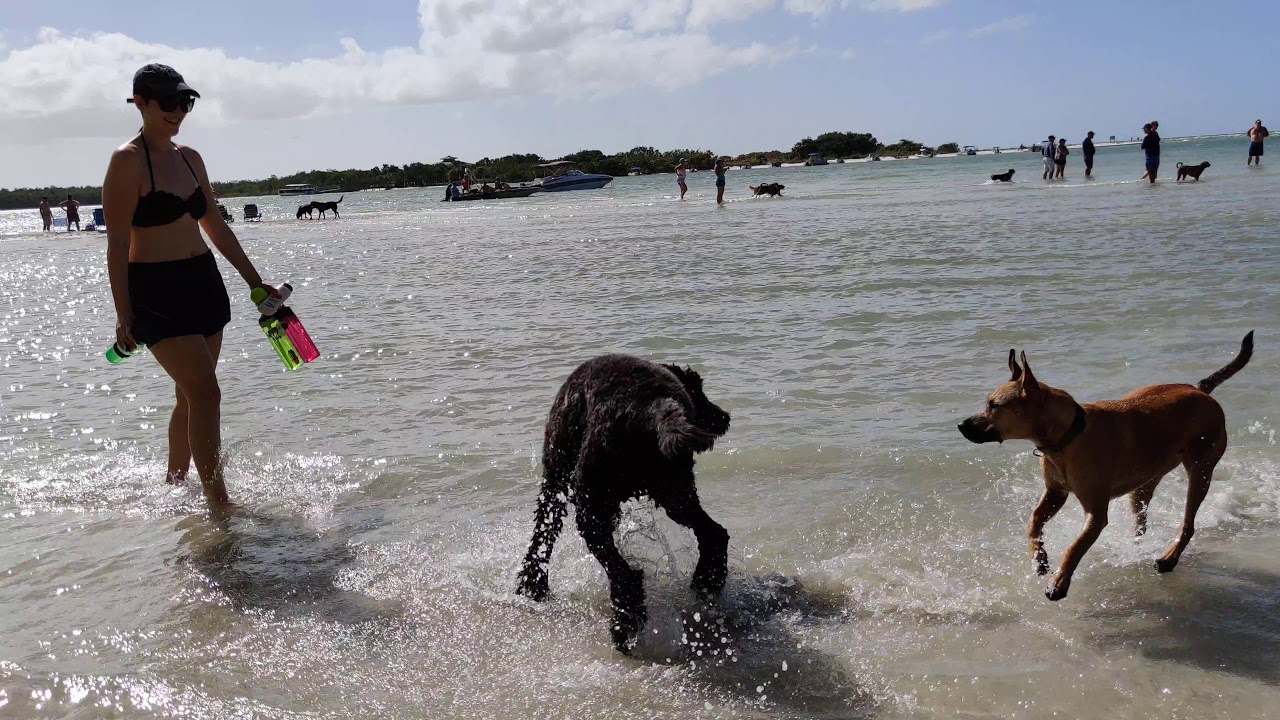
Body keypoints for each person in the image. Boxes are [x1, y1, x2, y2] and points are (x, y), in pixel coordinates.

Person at [103, 64, 280, 510]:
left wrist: (256, 284)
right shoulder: (126, 162)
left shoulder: (190, 158)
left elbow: (215, 227)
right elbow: (118, 244)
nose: (177, 111)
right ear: (140, 103)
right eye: (167, 103)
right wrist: (125, 315)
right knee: (206, 392)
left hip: (203, 283)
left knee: (190, 393)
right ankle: (219, 504)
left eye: (185, 102)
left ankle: (175, 485)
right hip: (156, 292)